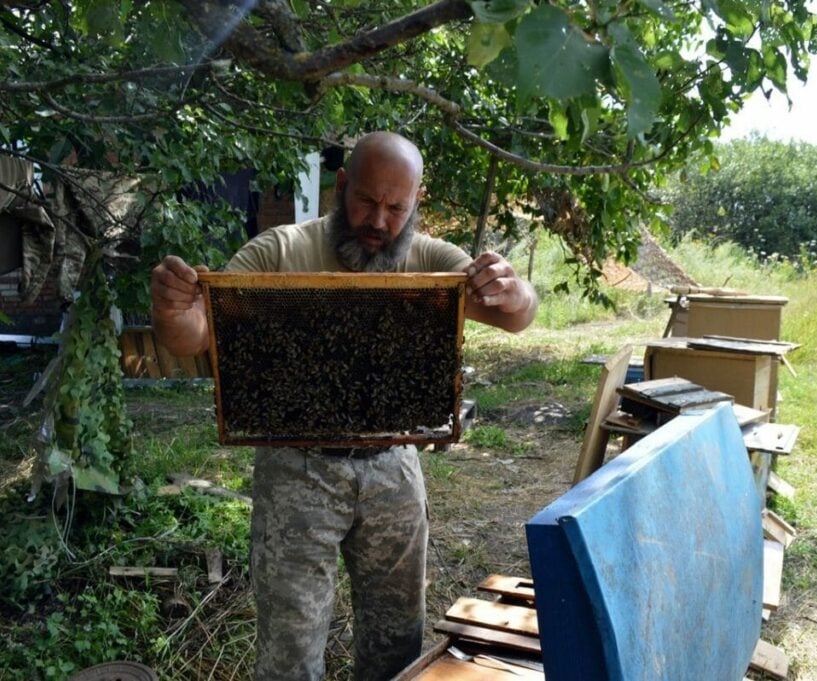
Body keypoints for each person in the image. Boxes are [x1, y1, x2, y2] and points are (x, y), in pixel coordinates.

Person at [150, 131, 537, 681]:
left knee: (397, 641)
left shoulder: (431, 260)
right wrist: (172, 307)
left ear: (415, 202)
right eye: (366, 201)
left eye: (396, 207)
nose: (379, 220)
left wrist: (516, 292)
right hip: (296, 470)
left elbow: (517, 315)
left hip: (393, 469)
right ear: (341, 186)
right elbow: (194, 333)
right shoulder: (279, 251)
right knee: (290, 646)